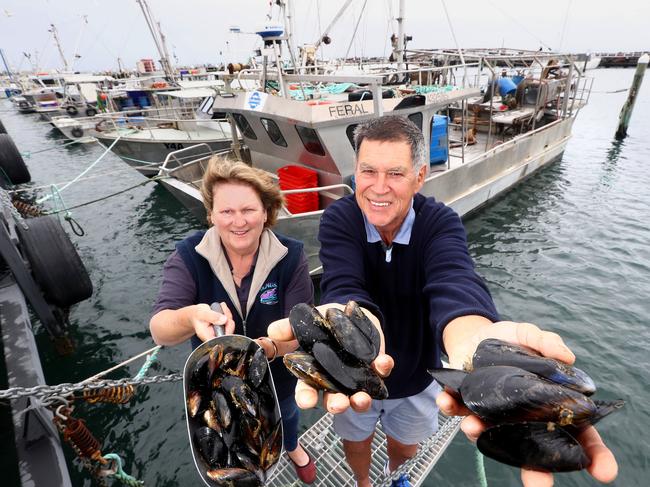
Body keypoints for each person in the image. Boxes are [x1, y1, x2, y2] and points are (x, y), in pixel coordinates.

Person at [267, 115, 618, 487]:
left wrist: (473, 338)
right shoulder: (341, 217)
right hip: (354, 378)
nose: (378, 187)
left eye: (396, 174)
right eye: (368, 171)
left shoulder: (440, 222)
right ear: (355, 171)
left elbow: (454, 281)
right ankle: (363, 482)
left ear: (420, 177)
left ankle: (393, 475)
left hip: (420, 379)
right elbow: (344, 282)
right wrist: (355, 322)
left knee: (405, 447)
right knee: (356, 441)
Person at [149, 157, 317, 484]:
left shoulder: (291, 256)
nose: (237, 221)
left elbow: (302, 331)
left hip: (275, 375)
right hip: (215, 383)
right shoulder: (188, 256)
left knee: (286, 416)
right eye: (226, 211)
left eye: (248, 210)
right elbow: (160, 327)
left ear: (266, 212)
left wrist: (267, 348)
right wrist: (190, 316)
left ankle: (293, 447)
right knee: (231, 432)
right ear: (211, 214)